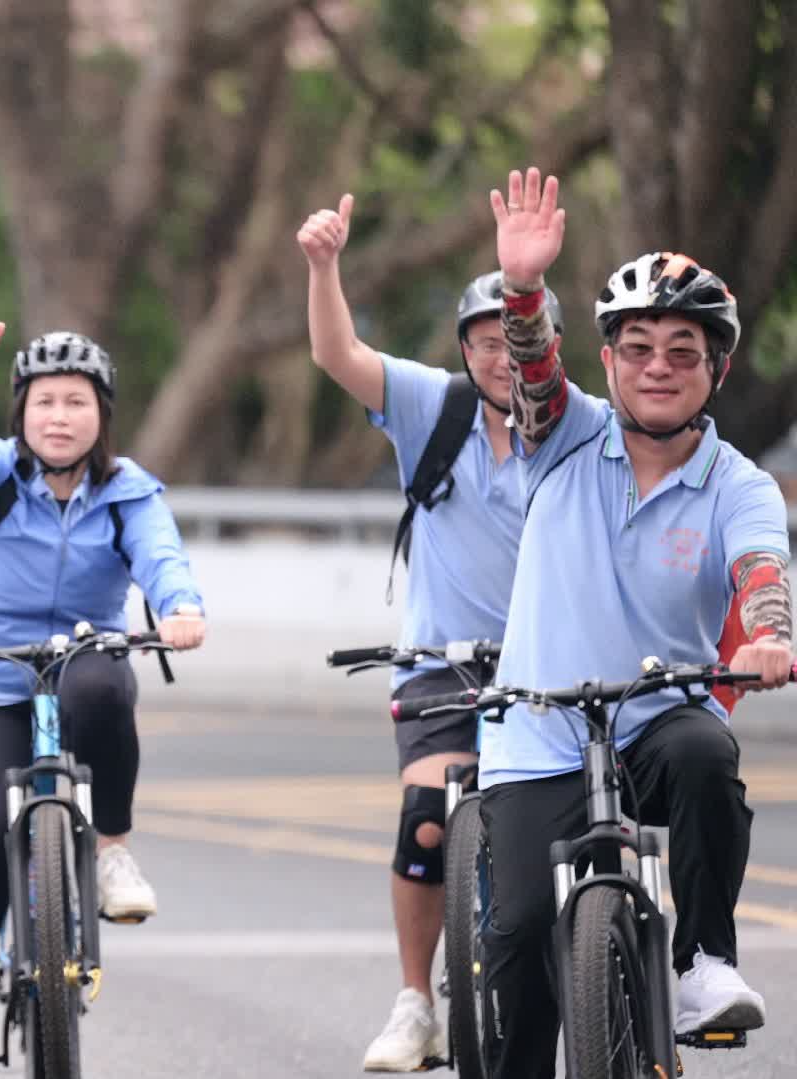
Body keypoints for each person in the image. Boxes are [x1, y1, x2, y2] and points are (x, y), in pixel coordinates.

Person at [481, 166, 791, 1077]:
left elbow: (762, 568)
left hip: (659, 718)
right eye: (639, 347)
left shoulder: (738, 482)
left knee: (706, 754)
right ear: (609, 362)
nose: (659, 365)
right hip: (537, 733)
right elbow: (533, 370)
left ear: (716, 368)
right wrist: (524, 289)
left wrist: (769, 635)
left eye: (683, 350)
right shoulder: (563, 435)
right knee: (522, 938)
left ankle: (704, 963)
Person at [297, 195, 562, 1070]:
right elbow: (336, 352)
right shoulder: (430, 408)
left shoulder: (577, 427)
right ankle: (417, 1000)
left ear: (544, 341)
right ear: (465, 349)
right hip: (442, 663)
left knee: (582, 821)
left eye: (513, 337)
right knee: (426, 819)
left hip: (552, 668)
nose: (499, 355)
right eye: (482, 340)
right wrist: (325, 267)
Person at [0, 313, 206, 1079]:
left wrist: (180, 608)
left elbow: (162, 557)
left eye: (76, 401)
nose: (59, 416)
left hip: (81, 661)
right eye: (44, 401)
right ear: (20, 412)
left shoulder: (128, 491)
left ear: (102, 414)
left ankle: (111, 847)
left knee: (102, 680)